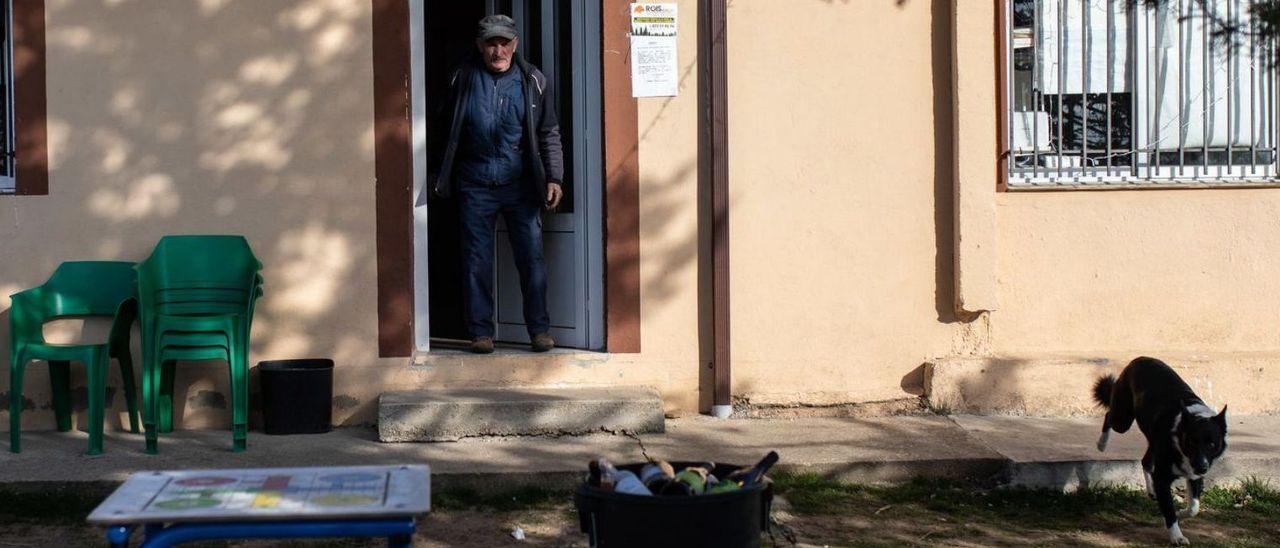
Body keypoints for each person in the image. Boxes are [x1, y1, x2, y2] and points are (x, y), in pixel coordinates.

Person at [432, 14, 564, 354]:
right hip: (474, 183)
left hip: (520, 185)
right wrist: (439, 173)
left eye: (504, 42)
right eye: (491, 43)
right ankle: (481, 333)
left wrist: (554, 177)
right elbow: (441, 129)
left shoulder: (532, 80)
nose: (498, 50)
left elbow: (548, 132)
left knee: (531, 259)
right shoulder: (461, 77)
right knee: (476, 260)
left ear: (515, 44)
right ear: (479, 46)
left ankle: (539, 330)